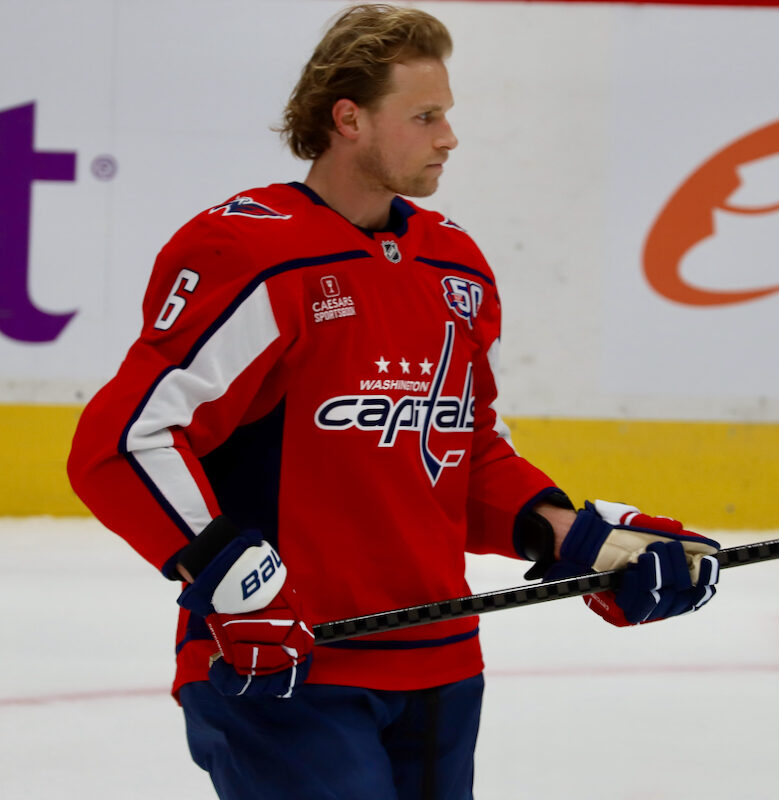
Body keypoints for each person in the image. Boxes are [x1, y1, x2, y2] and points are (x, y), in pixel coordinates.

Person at [66, 4, 720, 799]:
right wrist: (229, 579)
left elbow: (465, 456)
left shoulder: (457, 267)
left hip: (440, 669)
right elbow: (123, 443)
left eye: (447, 114)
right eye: (425, 115)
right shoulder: (253, 255)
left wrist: (581, 540)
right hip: (287, 672)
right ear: (349, 119)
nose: (449, 137)